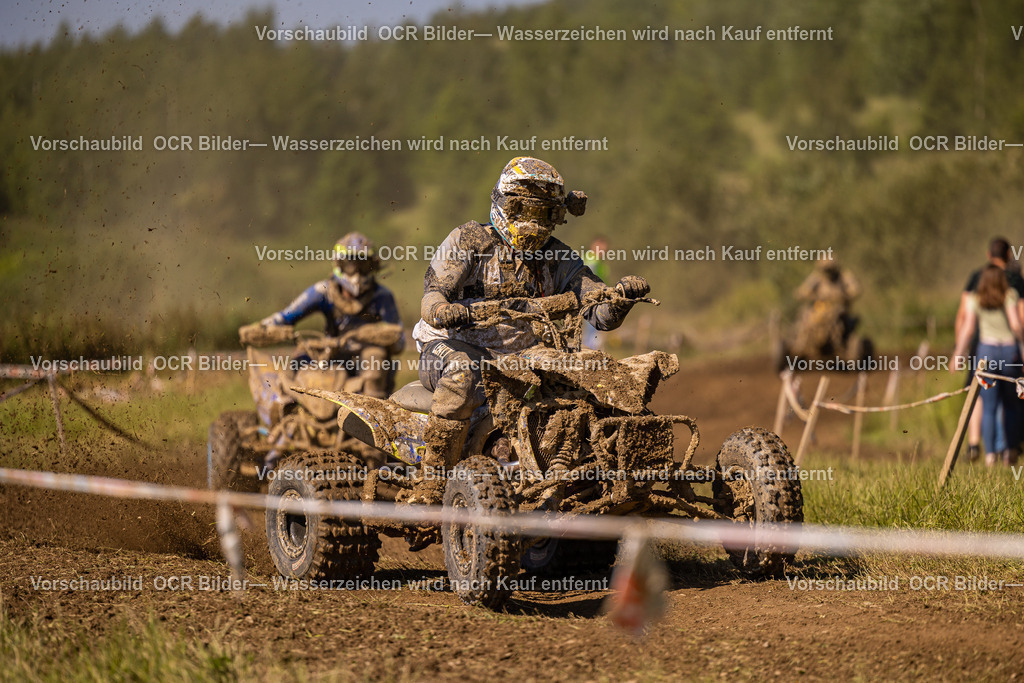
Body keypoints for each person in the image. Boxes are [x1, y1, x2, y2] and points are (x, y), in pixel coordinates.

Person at [410, 157, 649, 502]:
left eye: (543, 214)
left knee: (593, 374)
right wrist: (445, 311)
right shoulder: (469, 240)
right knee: (464, 374)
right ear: (504, 204)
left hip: (524, 356)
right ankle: (432, 479)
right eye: (523, 210)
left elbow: (600, 315)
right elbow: (432, 298)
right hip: (452, 346)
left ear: (556, 215)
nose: (532, 223)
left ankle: (602, 469)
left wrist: (622, 298)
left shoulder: (559, 258)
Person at [253, 231, 404, 398]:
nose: (357, 273)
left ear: (373, 267)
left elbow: (399, 342)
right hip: (330, 353)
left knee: (375, 357)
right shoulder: (323, 291)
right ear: (339, 265)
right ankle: (288, 409)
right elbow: (286, 316)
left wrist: (375, 335)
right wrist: (261, 328)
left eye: (363, 265)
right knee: (297, 361)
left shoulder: (382, 296)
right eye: (351, 265)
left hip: (363, 361)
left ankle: (373, 412)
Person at [953, 237, 1024, 461]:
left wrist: (958, 354)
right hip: (1009, 353)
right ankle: (1010, 449)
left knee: (988, 405)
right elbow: (1016, 324)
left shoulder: (976, 298)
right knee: (1012, 403)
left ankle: (989, 455)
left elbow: (967, 328)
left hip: (986, 353)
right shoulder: (1011, 294)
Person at [792, 257, 861, 356]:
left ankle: (839, 345)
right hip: (819, 308)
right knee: (805, 316)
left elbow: (855, 288)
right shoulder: (817, 277)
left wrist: (849, 294)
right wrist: (803, 293)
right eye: (825, 269)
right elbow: (804, 289)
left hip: (838, 308)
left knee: (838, 321)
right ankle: (800, 345)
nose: (827, 272)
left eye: (829, 269)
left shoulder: (844, 276)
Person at [582, 235, 611, 350]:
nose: (602, 250)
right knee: (592, 330)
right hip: (591, 301)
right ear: (593, 246)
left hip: (599, 301)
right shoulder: (591, 260)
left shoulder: (600, 263)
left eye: (604, 248)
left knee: (594, 331)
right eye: (600, 247)